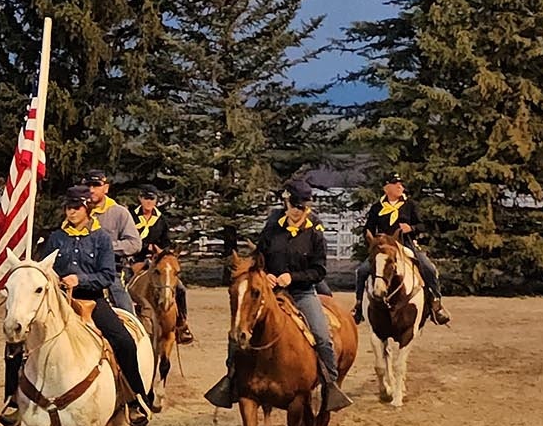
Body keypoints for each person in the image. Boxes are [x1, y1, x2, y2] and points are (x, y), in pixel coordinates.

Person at [0, 186, 156, 426]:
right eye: (68, 208)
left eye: (75, 208)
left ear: (87, 209)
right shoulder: (56, 237)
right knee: (15, 340)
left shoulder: (101, 238)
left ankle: (136, 397)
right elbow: (44, 268)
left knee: (123, 340)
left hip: (92, 300)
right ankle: (12, 399)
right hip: (59, 300)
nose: (70, 212)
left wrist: (79, 279)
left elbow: (106, 276)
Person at [205, 179, 353, 412]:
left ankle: (330, 385)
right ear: (286, 202)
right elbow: (259, 256)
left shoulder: (315, 231)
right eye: (294, 205)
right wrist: (266, 275)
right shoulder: (273, 224)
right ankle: (231, 379)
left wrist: (292, 278)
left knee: (323, 336)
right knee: (238, 331)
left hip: (302, 291)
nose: (298, 211)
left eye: (303, 207)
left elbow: (319, 270)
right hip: (271, 291)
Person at [354, 173, 451, 325]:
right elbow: (368, 229)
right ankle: (359, 305)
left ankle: (436, 303)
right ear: (386, 188)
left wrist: (411, 228)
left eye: (401, 184)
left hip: (406, 245)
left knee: (428, 268)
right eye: (395, 184)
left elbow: (422, 225)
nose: (400, 187)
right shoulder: (377, 208)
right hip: (384, 249)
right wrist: (373, 241)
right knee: (363, 270)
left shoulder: (409, 205)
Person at [134, 184, 194, 344]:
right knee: (125, 285)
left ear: (156, 201)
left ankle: (182, 323)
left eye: (151, 199)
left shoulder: (161, 220)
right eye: (145, 198)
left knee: (180, 288)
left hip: (158, 261)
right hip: (136, 259)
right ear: (140, 199)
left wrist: (162, 250)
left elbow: (166, 241)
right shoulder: (130, 216)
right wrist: (146, 247)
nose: (148, 202)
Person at [82, 170, 142, 314]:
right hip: (80, 271)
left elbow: (134, 243)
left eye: (96, 185)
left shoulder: (119, 213)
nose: (91, 190)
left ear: (106, 188)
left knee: (126, 312)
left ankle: (134, 333)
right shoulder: (77, 211)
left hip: (109, 272)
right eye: (88, 185)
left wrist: (106, 248)